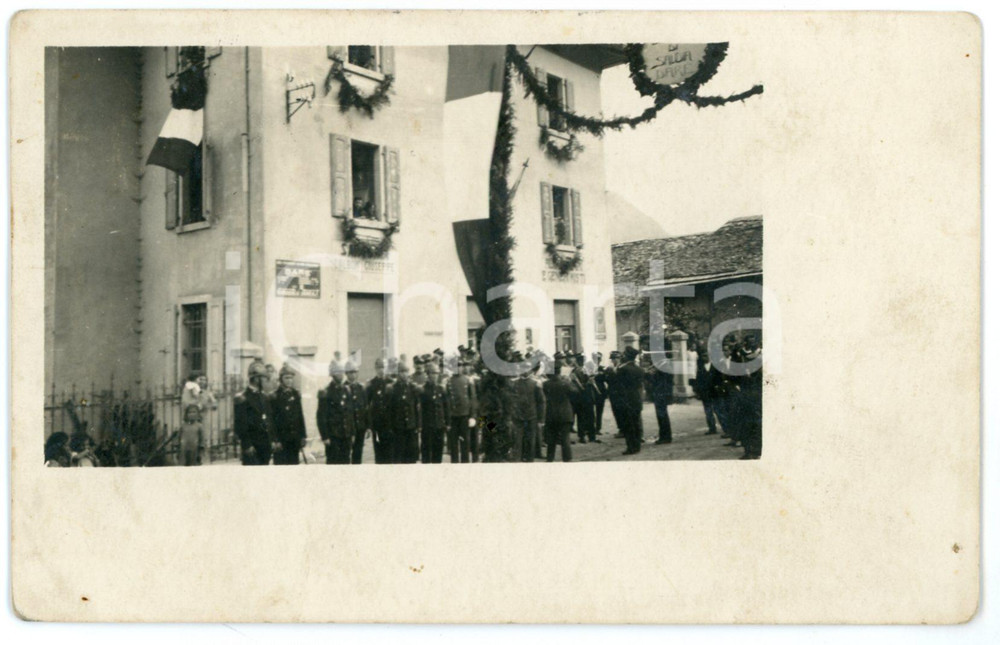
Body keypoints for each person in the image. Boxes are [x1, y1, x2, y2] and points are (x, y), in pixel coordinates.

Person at [233, 361, 274, 465]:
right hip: (252, 446)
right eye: (263, 378)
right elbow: (240, 424)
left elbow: (269, 419)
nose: (265, 380)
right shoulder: (243, 398)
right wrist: (246, 444)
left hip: (265, 445)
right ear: (256, 379)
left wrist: (272, 440)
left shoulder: (264, 396)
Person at [316, 355, 354, 465]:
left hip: (345, 435)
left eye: (342, 372)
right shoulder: (326, 392)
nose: (341, 375)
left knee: (346, 462)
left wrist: (352, 432)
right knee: (333, 462)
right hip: (333, 436)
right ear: (332, 374)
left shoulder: (346, 390)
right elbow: (321, 416)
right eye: (338, 372)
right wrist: (325, 436)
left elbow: (349, 413)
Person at [270, 363, 306, 465]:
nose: (289, 380)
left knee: (294, 466)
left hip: (294, 439)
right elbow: (272, 420)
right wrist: (275, 440)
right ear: (281, 379)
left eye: (291, 378)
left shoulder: (295, 394)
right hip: (281, 440)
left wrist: (302, 436)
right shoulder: (275, 396)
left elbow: (300, 416)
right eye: (286, 378)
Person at [511, 354, 545, 462]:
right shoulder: (514, 383)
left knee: (531, 440)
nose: (524, 371)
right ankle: (518, 459)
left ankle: (530, 460)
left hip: (531, 416)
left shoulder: (535, 384)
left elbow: (541, 402)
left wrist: (541, 419)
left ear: (530, 370)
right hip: (518, 416)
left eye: (527, 369)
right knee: (517, 440)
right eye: (522, 369)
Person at [388, 358, 422, 464]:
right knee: (398, 455)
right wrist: (391, 426)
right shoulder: (393, 389)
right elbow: (390, 410)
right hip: (398, 427)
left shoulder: (413, 388)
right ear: (398, 374)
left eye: (406, 372)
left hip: (411, 427)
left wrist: (418, 425)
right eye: (402, 372)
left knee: (411, 456)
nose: (404, 374)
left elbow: (417, 407)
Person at [542, 353, 574, 462]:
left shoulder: (546, 384)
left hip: (551, 414)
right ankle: (567, 458)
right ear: (560, 371)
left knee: (551, 439)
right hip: (565, 414)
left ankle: (550, 458)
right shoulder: (565, 383)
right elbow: (575, 393)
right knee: (565, 438)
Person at [446, 358, 478, 463]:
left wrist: (473, 416)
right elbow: (447, 401)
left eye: (460, 366)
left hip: (465, 416)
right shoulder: (449, 381)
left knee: (465, 444)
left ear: (462, 367)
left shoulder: (467, 380)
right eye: (456, 366)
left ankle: (465, 465)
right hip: (453, 417)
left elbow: (472, 399)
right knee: (454, 445)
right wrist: (447, 419)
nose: (458, 368)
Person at [617, 346, 646, 455]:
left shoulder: (622, 369)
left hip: (626, 400)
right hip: (637, 399)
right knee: (637, 423)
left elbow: (618, 386)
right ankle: (637, 446)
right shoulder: (639, 369)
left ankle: (631, 447)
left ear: (627, 356)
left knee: (629, 425)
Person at [420, 361, 449, 464]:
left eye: (437, 373)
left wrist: (447, 423)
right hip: (427, 427)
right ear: (428, 374)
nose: (435, 376)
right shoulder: (423, 390)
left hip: (439, 426)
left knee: (438, 453)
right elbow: (420, 410)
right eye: (433, 373)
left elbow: (446, 407)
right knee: (426, 454)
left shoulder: (441, 389)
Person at [366, 357, 394, 464]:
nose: (381, 370)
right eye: (379, 367)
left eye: (383, 367)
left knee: (390, 452)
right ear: (375, 368)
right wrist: (369, 425)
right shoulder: (372, 384)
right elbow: (367, 405)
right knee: (378, 453)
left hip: (390, 423)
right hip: (377, 424)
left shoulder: (391, 382)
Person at [345, 360, 371, 464]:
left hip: (360, 427)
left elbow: (366, 408)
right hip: (347, 428)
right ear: (346, 374)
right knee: (346, 454)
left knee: (358, 454)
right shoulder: (343, 388)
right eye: (350, 372)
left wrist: (368, 426)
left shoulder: (361, 389)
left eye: (355, 372)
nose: (353, 375)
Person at [690, 347, 720, 435]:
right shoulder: (699, 368)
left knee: (719, 410)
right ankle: (712, 428)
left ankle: (726, 428)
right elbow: (698, 381)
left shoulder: (715, 366)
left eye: (706, 356)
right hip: (705, 393)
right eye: (703, 356)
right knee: (708, 411)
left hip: (715, 392)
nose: (705, 358)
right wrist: (698, 392)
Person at [570, 352, 597, 444]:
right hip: (583, 397)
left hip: (583, 397)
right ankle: (587, 436)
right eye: (581, 360)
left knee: (586, 417)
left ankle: (586, 436)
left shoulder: (579, 371)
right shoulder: (579, 371)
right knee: (586, 417)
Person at [647, 354, 674, 445]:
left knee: (662, 416)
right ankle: (665, 436)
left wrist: (651, 374)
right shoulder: (665, 367)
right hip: (661, 393)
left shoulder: (663, 367)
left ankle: (665, 437)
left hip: (661, 394)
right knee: (662, 415)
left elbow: (656, 380)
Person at [591, 352, 608, 435]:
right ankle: (590, 428)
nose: (597, 360)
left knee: (599, 411)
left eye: (598, 359)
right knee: (590, 411)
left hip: (601, 392)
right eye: (595, 359)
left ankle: (598, 428)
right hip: (591, 392)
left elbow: (606, 379)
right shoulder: (589, 368)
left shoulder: (602, 368)